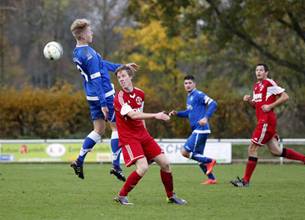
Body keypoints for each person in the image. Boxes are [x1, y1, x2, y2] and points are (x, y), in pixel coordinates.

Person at [69, 18, 138, 181]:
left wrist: (122, 67)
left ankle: (79, 160)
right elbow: (97, 79)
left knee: (99, 130)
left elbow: (102, 64)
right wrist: (103, 104)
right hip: (104, 96)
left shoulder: (78, 52)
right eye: (90, 30)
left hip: (91, 96)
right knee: (117, 128)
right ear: (83, 35)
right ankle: (116, 165)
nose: (92, 32)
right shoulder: (90, 55)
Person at [231, 63, 305, 187]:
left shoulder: (269, 83)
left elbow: (285, 96)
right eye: (257, 70)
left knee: (252, 148)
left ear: (266, 72)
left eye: (261, 70)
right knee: (276, 151)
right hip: (263, 121)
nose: (258, 72)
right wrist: (249, 101)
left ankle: (245, 181)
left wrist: (271, 106)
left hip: (266, 121)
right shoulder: (256, 86)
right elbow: (258, 105)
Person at [113, 66, 187, 205]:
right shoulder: (119, 98)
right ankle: (121, 196)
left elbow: (140, 116)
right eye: (119, 77)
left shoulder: (140, 94)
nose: (121, 79)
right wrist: (156, 115)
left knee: (165, 164)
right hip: (129, 137)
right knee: (143, 167)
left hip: (143, 135)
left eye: (124, 76)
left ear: (130, 77)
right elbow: (133, 115)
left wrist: (146, 135)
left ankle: (171, 196)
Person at [169, 75, 218, 185]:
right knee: (199, 158)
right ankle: (212, 179)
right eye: (186, 83)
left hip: (200, 129)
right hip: (199, 130)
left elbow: (213, 103)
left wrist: (206, 117)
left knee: (184, 152)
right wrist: (177, 113)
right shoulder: (189, 97)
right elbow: (188, 113)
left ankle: (210, 161)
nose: (188, 85)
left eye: (190, 83)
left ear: (194, 84)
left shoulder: (198, 94)